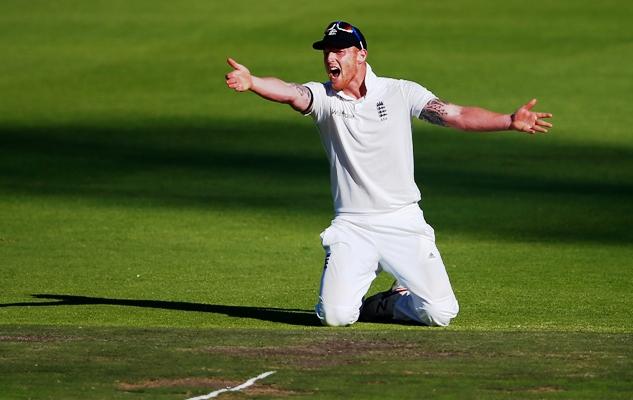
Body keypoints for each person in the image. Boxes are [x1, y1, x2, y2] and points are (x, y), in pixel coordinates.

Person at [225, 21, 552, 327]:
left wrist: (508, 121)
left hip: (403, 222)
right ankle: (367, 300)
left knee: (441, 312)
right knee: (335, 316)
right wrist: (253, 83)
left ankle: (392, 302)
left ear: (361, 55)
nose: (330, 58)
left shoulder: (400, 92)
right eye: (327, 51)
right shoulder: (324, 98)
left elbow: (455, 114)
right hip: (353, 226)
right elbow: (291, 91)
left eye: (339, 51)